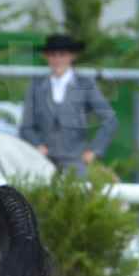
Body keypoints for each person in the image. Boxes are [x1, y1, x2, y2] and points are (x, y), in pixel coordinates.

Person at [18, 33, 118, 175]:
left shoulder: (85, 84)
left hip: (76, 162)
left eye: (62, 54)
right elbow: (26, 126)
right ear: (47, 57)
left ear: (72, 56)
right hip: (43, 160)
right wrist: (37, 145)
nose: (57, 59)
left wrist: (94, 150)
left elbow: (110, 120)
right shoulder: (36, 86)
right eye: (53, 54)